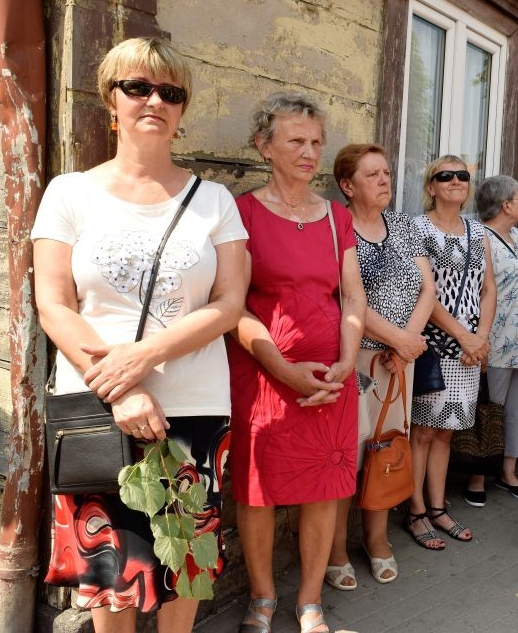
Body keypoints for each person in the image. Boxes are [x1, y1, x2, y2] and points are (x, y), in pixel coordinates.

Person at [33, 37, 248, 632]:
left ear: (182, 111)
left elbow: (230, 303)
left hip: (194, 406)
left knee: (186, 563)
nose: (155, 100)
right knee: (112, 575)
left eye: (170, 93)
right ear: (112, 100)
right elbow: (53, 304)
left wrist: (145, 355)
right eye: (138, 87)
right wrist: (121, 387)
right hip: (99, 408)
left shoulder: (214, 201)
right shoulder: (69, 193)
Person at [228, 93, 367, 633]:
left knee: (324, 491)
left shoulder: (336, 217)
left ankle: (310, 600)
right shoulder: (242, 213)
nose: (310, 152)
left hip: (331, 376)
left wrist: (347, 360)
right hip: (264, 375)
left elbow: (352, 298)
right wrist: (284, 370)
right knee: (257, 490)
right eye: (296, 141)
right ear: (265, 147)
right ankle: (262, 596)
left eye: (316, 142)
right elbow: (234, 306)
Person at [324, 144, 436, 590]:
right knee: (347, 457)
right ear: (347, 185)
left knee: (387, 450)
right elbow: (345, 297)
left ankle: (376, 539)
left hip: (399, 360)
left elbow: (427, 290)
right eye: (372, 175)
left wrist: (406, 344)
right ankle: (335, 549)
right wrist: (398, 339)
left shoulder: (405, 226)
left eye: (386, 172)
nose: (384, 180)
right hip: (355, 358)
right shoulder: (336, 227)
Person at [408, 155, 496, 548]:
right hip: (433, 345)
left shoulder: (478, 231)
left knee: (445, 433)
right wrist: (464, 336)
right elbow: (421, 292)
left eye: (462, 175)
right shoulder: (417, 228)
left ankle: (437, 507)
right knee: (423, 432)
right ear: (431, 186)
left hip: (469, 351)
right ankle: (415, 511)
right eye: (446, 175)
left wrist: (481, 337)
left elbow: (488, 289)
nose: (456, 180)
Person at [467, 175, 518, 505]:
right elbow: (477, 292)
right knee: (490, 407)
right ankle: (477, 474)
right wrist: (479, 338)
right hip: (496, 337)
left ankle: (508, 470)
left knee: (517, 408)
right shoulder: (480, 237)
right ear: (505, 205)